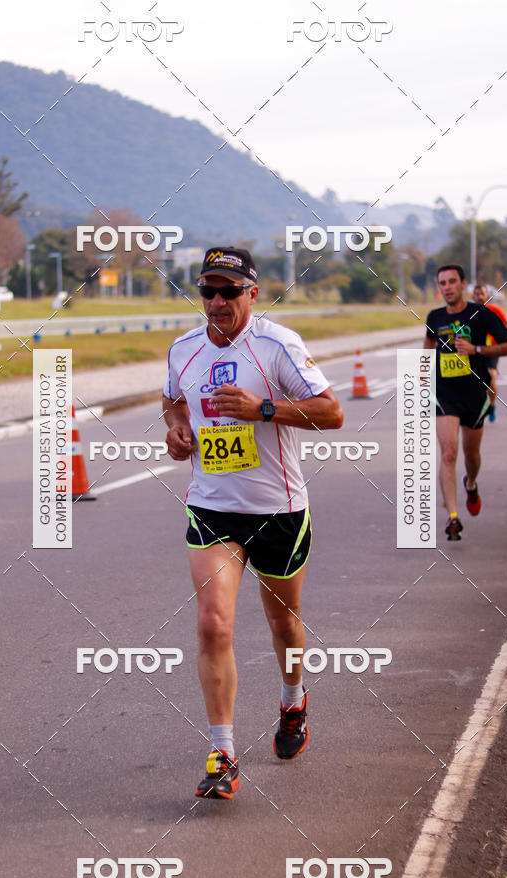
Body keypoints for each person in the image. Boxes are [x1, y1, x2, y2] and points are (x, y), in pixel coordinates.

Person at [163, 247, 343, 799]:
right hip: (212, 507)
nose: (217, 301)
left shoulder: (277, 345)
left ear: (252, 294)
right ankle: (223, 753)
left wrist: (263, 409)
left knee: (283, 624)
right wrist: (177, 430)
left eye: (229, 291)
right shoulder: (183, 349)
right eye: (208, 290)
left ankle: (293, 700)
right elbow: (171, 400)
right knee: (213, 623)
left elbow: (332, 412)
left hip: (277, 510)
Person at [424, 265, 507, 541]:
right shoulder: (435, 317)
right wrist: (421, 377)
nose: (447, 287)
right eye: (442, 283)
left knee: (471, 455)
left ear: (462, 284)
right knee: (448, 453)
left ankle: (471, 483)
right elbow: (427, 348)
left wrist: (476, 349)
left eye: (452, 282)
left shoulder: (481, 314)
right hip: (444, 395)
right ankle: (453, 517)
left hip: (474, 394)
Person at [471, 283, 507, 422]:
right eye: (476, 294)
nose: (479, 297)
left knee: (490, 377)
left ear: (487, 296)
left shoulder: (495, 310)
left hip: (492, 349)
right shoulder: (469, 312)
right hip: (475, 350)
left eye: (482, 294)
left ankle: (492, 404)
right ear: (472, 296)